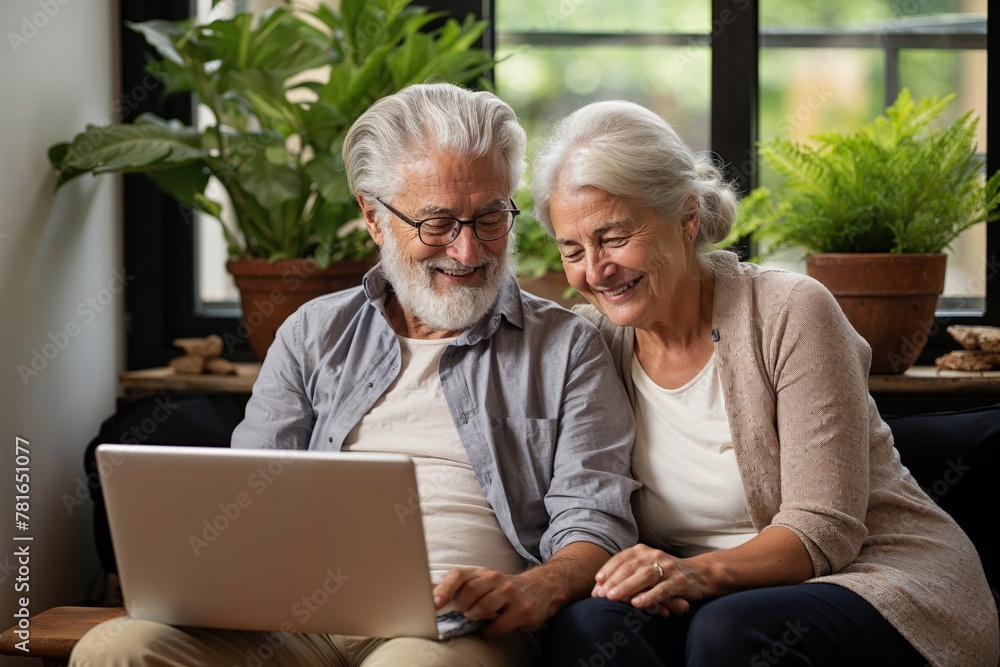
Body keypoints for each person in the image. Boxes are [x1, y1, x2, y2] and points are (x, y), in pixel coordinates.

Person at [69, 83, 640, 667]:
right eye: (438, 224)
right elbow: (247, 497)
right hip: (296, 620)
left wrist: (533, 589)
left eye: (490, 218)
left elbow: (593, 518)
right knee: (117, 649)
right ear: (374, 218)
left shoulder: (568, 347)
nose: (468, 251)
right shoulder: (312, 334)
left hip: (458, 630)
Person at [531, 100, 1000, 667]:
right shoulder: (591, 343)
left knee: (728, 633)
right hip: (695, 600)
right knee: (588, 625)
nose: (594, 270)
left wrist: (690, 573)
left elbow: (822, 529)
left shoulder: (789, 310)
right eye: (572, 250)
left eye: (613, 237)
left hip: (867, 577)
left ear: (686, 219)